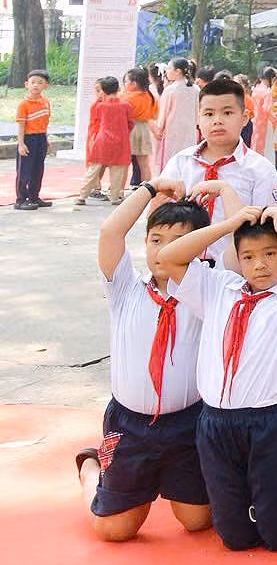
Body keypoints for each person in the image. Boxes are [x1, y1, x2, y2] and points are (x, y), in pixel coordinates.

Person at [156, 193, 277, 552]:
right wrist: (227, 225)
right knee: (235, 538)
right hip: (217, 423)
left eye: (271, 253)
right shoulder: (219, 288)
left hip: (272, 421)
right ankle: (270, 500)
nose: (260, 265)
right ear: (237, 260)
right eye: (249, 257)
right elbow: (168, 257)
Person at [80, 183, 211, 540]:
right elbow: (110, 231)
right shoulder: (125, 289)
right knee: (113, 530)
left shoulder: (209, 291)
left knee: (197, 521)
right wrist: (149, 188)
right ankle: (93, 468)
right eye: (156, 240)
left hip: (187, 423)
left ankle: (157, 480)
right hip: (131, 425)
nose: (164, 249)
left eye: (179, 240)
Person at [156, 78, 277, 227]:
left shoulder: (260, 169)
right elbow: (160, 217)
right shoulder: (180, 162)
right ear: (198, 119)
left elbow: (267, 225)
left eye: (227, 113)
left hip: (234, 249)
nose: (217, 120)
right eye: (209, 114)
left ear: (244, 118)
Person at [79, 76, 134, 207]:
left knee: (93, 170)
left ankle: (82, 195)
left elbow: (97, 123)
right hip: (120, 142)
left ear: (102, 90)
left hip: (102, 141)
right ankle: (115, 197)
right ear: (119, 88)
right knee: (117, 171)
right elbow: (130, 123)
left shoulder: (100, 106)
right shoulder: (126, 105)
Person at [13, 68, 51, 210]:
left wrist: (45, 139)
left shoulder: (46, 102)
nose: (36, 85)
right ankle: (21, 199)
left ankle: (34, 196)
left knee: (38, 169)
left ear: (45, 86)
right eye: (33, 82)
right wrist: (21, 144)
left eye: (40, 83)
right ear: (26, 84)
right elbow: (21, 125)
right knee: (24, 171)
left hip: (40, 138)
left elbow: (45, 122)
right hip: (28, 139)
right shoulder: (23, 105)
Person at [123, 69, 159, 190]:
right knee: (144, 163)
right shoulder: (150, 96)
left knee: (124, 163)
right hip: (144, 129)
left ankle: (119, 190)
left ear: (134, 83)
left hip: (129, 129)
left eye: (126, 81)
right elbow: (154, 116)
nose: (125, 84)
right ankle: (147, 188)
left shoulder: (126, 97)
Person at [157, 58, 198, 162]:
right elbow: (198, 111)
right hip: (190, 128)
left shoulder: (170, 90)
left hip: (172, 129)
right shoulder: (196, 89)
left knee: (171, 157)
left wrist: (159, 129)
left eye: (170, 68)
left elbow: (164, 113)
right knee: (187, 156)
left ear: (178, 71)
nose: (167, 71)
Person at [249, 69, 276, 158]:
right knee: (266, 148)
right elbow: (267, 110)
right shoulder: (267, 91)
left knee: (255, 144)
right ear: (271, 78)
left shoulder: (256, 89)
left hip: (256, 121)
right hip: (265, 122)